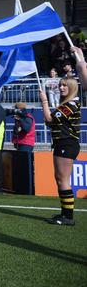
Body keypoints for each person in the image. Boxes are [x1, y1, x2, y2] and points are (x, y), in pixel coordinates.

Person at [39, 78, 81, 226]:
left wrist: (44, 101)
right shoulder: (67, 104)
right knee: (60, 179)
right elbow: (51, 123)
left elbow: (50, 119)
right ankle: (65, 213)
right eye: (60, 85)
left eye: (65, 85)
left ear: (72, 87)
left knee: (63, 180)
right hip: (63, 143)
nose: (61, 88)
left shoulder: (71, 104)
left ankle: (68, 217)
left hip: (66, 143)